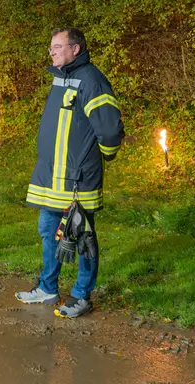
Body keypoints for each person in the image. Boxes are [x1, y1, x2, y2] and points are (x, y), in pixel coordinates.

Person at [16, 28, 124, 318]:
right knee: (48, 231)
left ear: (76, 49)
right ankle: (48, 288)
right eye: (51, 47)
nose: (51, 51)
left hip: (77, 180)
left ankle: (81, 295)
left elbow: (110, 129)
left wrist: (104, 157)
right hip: (53, 179)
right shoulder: (61, 77)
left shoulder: (91, 79)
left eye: (57, 46)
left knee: (82, 238)